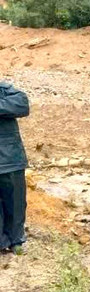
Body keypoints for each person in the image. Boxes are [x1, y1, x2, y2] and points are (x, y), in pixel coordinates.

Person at [0, 82, 30, 255]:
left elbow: (22, 104)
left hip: (10, 159)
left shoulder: (3, 89)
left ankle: (15, 241)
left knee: (15, 203)